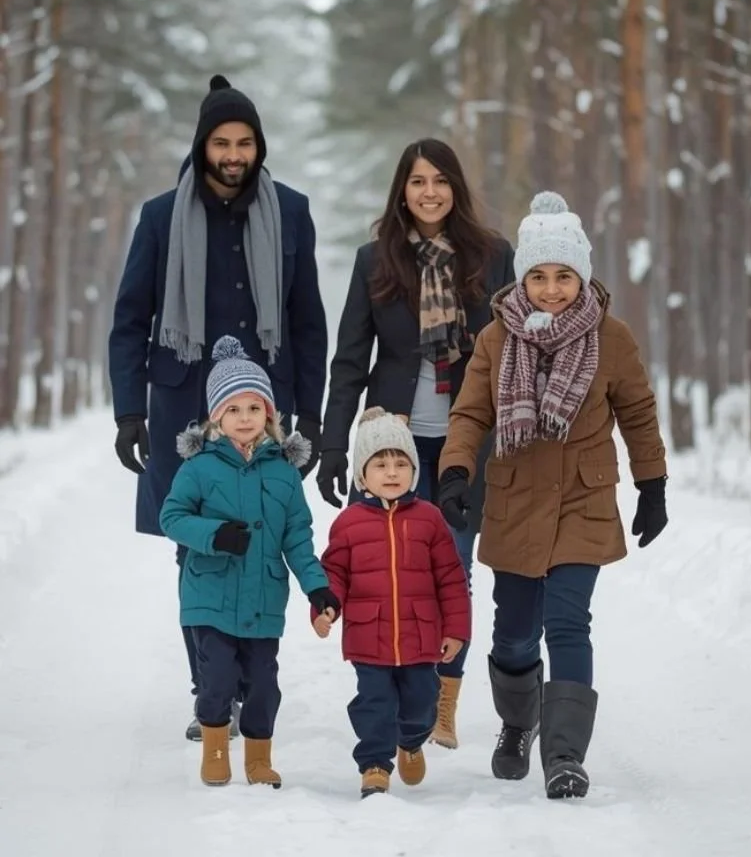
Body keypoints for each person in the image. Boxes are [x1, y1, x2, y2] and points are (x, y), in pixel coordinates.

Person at [108, 74, 328, 741]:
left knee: (262, 538)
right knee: (194, 545)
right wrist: (128, 412)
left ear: (260, 147)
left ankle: (247, 680)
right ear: (202, 146)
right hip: (182, 408)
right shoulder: (159, 216)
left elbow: (307, 321)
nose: (233, 154)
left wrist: (311, 415)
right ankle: (215, 691)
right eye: (221, 142)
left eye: (245, 142)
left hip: (266, 406)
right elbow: (129, 321)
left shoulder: (290, 212)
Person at [436, 191, 669, 800]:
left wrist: (653, 484)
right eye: (538, 276)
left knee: (568, 623)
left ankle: (565, 757)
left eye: (563, 275)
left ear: (582, 275)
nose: (551, 288)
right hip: (513, 500)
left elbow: (639, 413)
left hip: (582, 499)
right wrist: (455, 473)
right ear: (523, 279)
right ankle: (519, 723)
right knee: (513, 632)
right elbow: (470, 413)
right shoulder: (495, 338)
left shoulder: (610, 336)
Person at [317, 138, 513, 748]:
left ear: (456, 187)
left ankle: (443, 705)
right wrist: (331, 446)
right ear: (401, 190)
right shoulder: (375, 260)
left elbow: (513, 353)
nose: (429, 192)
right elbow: (351, 359)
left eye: (440, 180)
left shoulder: (492, 256)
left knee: (450, 568)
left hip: (467, 442)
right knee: (393, 575)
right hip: (391, 445)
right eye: (417, 181)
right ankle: (394, 699)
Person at [159, 336, 339, 788]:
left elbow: (298, 536)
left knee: (263, 685)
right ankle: (216, 749)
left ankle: (259, 759)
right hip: (210, 593)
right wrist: (214, 535)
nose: (244, 419)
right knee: (216, 678)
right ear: (217, 415)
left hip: (263, 597)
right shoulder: (199, 467)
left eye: (254, 409)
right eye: (234, 409)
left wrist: (318, 589)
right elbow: (172, 517)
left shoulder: (283, 472)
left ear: (269, 416)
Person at [315, 407, 471, 798]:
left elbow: (451, 578)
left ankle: (411, 741)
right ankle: (374, 765)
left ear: (414, 470)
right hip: (369, 635)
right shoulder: (348, 523)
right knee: (375, 703)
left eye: (401, 463)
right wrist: (326, 607)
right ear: (362, 475)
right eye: (380, 463)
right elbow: (334, 573)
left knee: (421, 703)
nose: (391, 472)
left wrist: (456, 630)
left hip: (421, 638)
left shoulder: (430, 519)